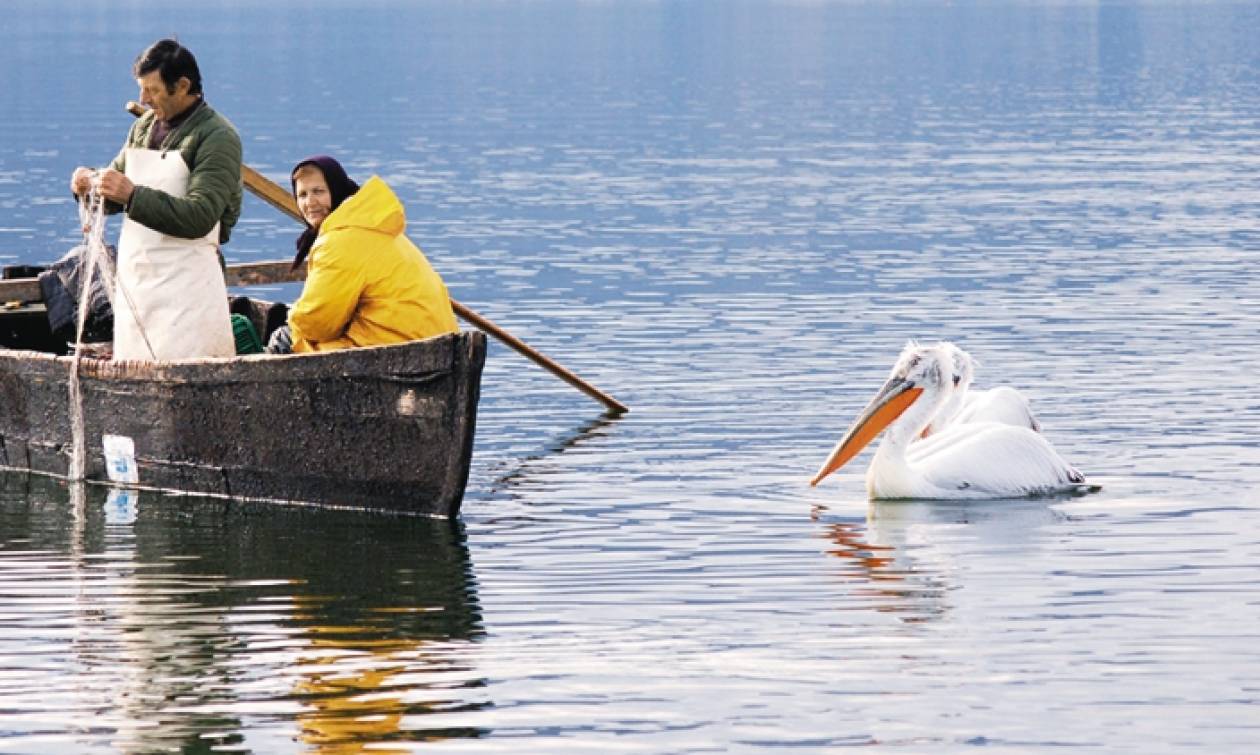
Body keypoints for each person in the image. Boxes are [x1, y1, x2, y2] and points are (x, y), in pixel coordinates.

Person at [69, 38, 240, 361]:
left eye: (152, 90)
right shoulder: (144, 127)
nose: (143, 100)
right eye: (141, 89)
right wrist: (90, 186)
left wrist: (132, 195)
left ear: (183, 86)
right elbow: (115, 195)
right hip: (139, 283)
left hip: (189, 290)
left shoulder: (217, 137)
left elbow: (200, 215)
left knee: (191, 375)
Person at [265, 155, 458, 354]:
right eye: (302, 195)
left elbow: (318, 323)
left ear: (336, 189)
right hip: (438, 346)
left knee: (285, 339)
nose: (310, 202)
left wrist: (291, 325)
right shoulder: (372, 225)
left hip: (395, 349)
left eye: (318, 191)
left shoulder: (340, 241)